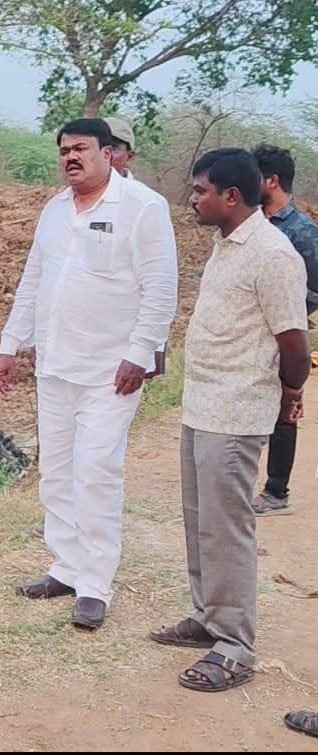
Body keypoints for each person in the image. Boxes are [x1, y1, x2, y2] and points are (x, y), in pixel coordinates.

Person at [0, 117, 178, 630]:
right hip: (54, 367)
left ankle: (95, 585)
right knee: (56, 471)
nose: (70, 158)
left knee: (96, 471)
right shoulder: (54, 210)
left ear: (108, 152)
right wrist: (12, 343)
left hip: (110, 371)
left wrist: (139, 354)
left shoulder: (142, 206)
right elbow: (34, 278)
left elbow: (161, 289)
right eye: (63, 151)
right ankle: (66, 567)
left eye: (80, 149)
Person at [149, 148, 310, 693]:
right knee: (201, 524)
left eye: (200, 191)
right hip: (202, 406)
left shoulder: (273, 255)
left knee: (228, 529)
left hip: (237, 412)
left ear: (231, 197)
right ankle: (209, 618)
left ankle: (236, 646)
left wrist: (287, 394)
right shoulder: (227, 245)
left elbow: (294, 346)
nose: (193, 200)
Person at [251, 144, 318, 516]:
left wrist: (287, 313)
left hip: (286, 337)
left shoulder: (302, 231)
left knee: (284, 411)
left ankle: (277, 491)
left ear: (272, 181)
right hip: (255, 338)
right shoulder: (255, 224)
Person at [105, 116, 168, 380]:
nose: (106, 156)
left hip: (123, 346)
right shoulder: (68, 203)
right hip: (79, 348)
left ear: (130, 156)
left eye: (114, 149)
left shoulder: (147, 205)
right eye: (98, 147)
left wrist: (152, 349)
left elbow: (159, 282)